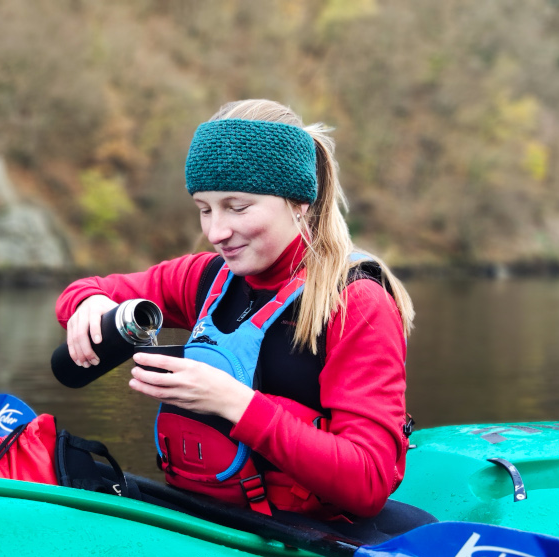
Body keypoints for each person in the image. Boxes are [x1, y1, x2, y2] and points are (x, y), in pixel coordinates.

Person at [55, 99, 415, 521]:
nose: (216, 232)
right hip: (204, 518)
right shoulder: (205, 277)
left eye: (237, 207)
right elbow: (85, 289)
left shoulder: (358, 301)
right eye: (204, 209)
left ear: (299, 201)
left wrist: (235, 404)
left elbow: (369, 481)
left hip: (306, 538)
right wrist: (90, 303)